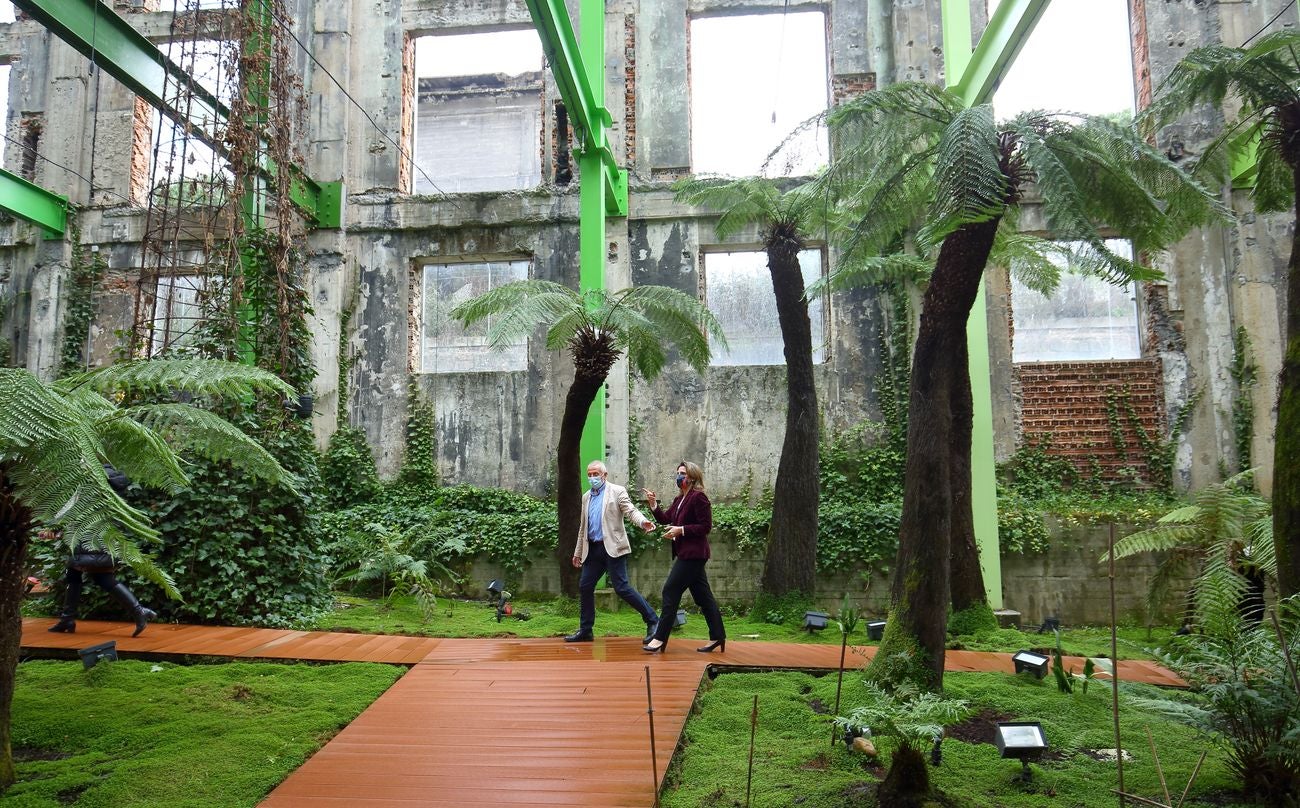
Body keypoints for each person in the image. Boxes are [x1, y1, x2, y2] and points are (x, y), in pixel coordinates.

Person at [46, 465, 157, 638]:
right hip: (105, 537)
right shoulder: (113, 483)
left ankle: (139, 611)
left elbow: (71, 509)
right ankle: (67, 619)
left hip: (88, 537)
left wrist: (53, 527)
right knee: (80, 574)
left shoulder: (90, 483)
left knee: (99, 576)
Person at [564, 460, 661, 643]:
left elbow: (630, 511)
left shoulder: (617, 491)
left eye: (596, 474)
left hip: (613, 548)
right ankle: (586, 630)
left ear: (605, 475)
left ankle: (653, 621)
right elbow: (583, 527)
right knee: (585, 586)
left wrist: (643, 522)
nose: (592, 477)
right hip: (593, 549)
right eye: (589, 474)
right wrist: (578, 552)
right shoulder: (586, 497)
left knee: (622, 588)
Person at [642, 461, 726, 654]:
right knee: (703, 597)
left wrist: (681, 530)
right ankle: (718, 636)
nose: (679, 476)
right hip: (686, 553)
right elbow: (665, 519)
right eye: (678, 473)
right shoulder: (680, 499)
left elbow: (705, 527)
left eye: (683, 473)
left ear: (693, 477)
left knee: (670, 590)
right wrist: (653, 504)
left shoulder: (699, 498)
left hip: (694, 555)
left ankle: (659, 638)